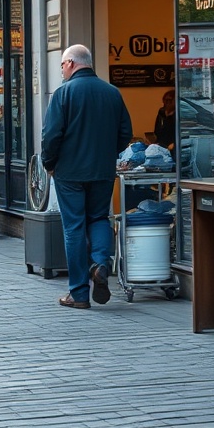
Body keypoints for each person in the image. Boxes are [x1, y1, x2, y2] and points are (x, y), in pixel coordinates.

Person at [41, 45, 132, 309]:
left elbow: (51, 136)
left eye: (61, 65)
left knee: (74, 228)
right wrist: (106, 153)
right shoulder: (112, 93)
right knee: (99, 218)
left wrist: (50, 164)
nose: (62, 70)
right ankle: (100, 265)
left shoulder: (63, 94)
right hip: (102, 171)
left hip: (69, 173)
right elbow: (125, 132)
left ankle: (79, 293)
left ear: (70, 63)